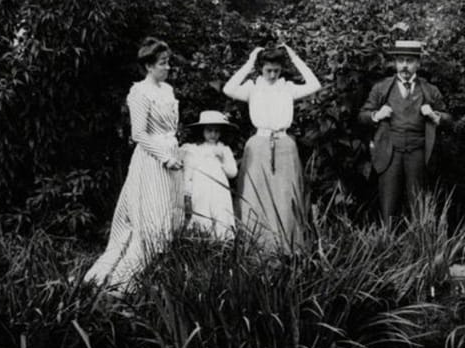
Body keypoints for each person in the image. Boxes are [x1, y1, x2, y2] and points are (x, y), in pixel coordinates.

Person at [85, 37, 183, 290]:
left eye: (168, 62)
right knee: (152, 223)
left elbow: (170, 129)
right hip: (152, 162)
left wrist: (175, 153)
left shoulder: (168, 90)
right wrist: (165, 157)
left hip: (171, 158)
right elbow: (138, 134)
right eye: (163, 63)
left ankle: (150, 279)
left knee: (169, 221)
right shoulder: (139, 92)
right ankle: (120, 283)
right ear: (149, 66)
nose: (168, 67)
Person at [222, 44, 320, 252]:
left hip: (284, 146)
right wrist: (249, 63)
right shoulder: (253, 87)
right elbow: (228, 89)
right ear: (261, 69)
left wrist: (294, 57)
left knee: (286, 195)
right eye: (268, 70)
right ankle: (257, 247)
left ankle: (287, 248)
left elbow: (315, 84)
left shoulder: (287, 88)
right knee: (255, 195)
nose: (273, 74)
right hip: (258, 146)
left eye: (277, 70)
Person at [358, 40, 450, 224]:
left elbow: (449, 119)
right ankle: (387, 245)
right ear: (395, 63)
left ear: (418, 64)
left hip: (418, 152)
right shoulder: (382, 88)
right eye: (400, 61)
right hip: (390, 152)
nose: (404, 66)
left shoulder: (429, 90)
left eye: (409, 61)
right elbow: (362, 116)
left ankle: (419, 245)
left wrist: (434, 115)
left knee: (418, 203)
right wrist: (376, 114)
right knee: (388, 204)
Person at [181, 110, 238, 241]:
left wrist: (223, 159)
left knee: (221, 214)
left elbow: (233, 173)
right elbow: (188, 174)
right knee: (202, 214)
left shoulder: (224, 149)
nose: (213, 134)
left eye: (217, 131)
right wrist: (187, 194)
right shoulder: (194, 150)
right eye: (209, 130)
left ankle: (222, 244)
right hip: (200, 189)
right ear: (202, 131)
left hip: (219, 191)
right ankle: (203, 244)